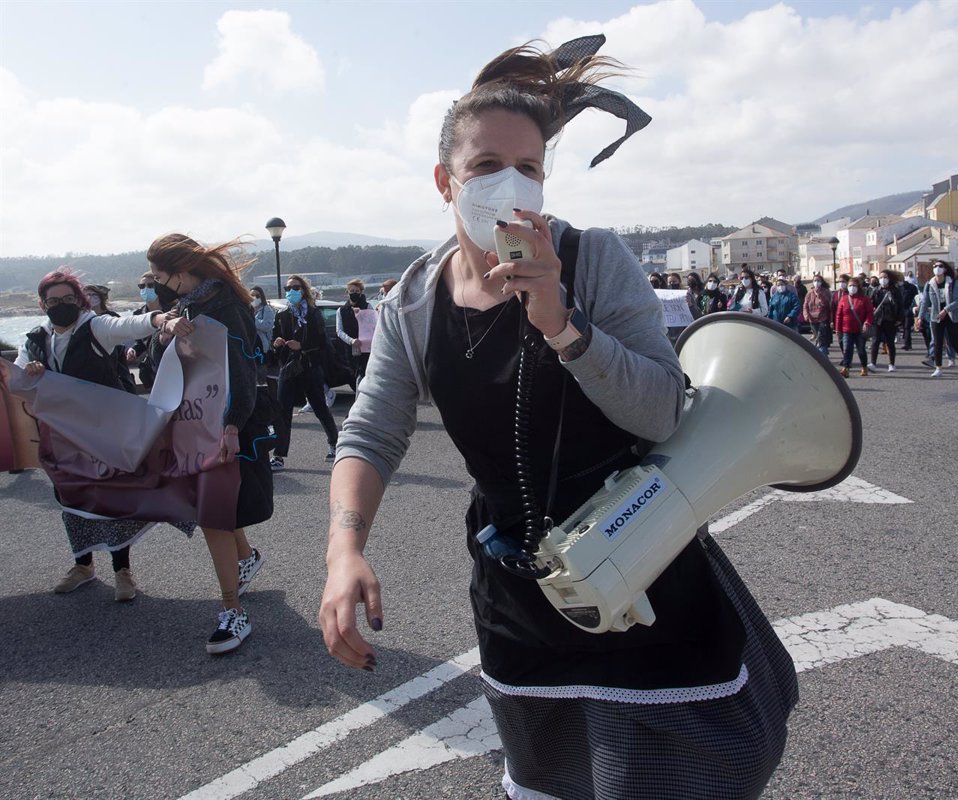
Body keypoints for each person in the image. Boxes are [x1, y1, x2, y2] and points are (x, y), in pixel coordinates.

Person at [318, 37, 797, 800]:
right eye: (485, 168)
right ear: (445, 181)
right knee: (548, 778)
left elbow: (665, 409)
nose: (510, 184)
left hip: (646, 565)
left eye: (530, 169)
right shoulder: (412, 301)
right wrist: (345, 551)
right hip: (517, 593)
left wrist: (562, 325)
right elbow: (373, 429)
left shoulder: (595, 259)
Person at [145, 234, 270, 653]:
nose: (155, 284)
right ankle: (246, 559)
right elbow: (161, 362)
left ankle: (233, 610)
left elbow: (244, 369)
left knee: (212, 515)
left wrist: (233, 426)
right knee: (214, 509)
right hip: (193, 424)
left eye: (159, 276)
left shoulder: (227, 308)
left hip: (221, 427)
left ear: (181, 273)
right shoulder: (188, 306)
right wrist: (163, 331)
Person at [10, 268, 166, 601]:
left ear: (80, 301)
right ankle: (83, 565)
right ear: (43, 304)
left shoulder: (94, 327)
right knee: (70, 497)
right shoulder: (36, 339)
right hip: (61, 435)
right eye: (53, 301)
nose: (60, 305)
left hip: (102, 431)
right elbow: (17, 379)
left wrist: (156, 320)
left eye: (68, 299)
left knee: (110, 497)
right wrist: (30, 372)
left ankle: (122, 569)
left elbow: (125, 326)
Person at [269, 274, 340, 470]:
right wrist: (277, 345)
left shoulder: (313, 314)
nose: (291, 291)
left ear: (303, 290)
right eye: (288, 288)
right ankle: (279, 455)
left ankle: (334, 443)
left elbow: (322, 341)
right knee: (283, 412)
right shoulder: (282, 315)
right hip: (288, 368)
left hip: (309, 367)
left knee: (319, 407)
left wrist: (302, 346)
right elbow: (274, 339)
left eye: (295, 287)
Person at [916, 261, 958, 377]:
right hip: (936, 316)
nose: (937, 268)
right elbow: (925, 302)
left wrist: (946, 310)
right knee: (937, 342)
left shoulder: (952, 282)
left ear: (945, 269)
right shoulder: (929, 284)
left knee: (954, 341)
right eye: (935, 266)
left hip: (951, 316)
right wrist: (920, 317)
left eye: (940, 266)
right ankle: (938, 368)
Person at [336, 278, 371, 389]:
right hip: (350, 348)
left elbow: (373, 326)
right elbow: (339, 331)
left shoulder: (368, 306)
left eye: (357, 291)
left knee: (365, 373)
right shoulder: (341, 310)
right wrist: (351, 341)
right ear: (347, 292)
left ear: (361, 292)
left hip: (366, 347)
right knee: (353, 373)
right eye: (351, 291)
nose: (354, 293)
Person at [835, 276, 873, 377]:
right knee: (847, 349)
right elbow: (839, 315)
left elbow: (870, 313)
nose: (852, 287)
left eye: (854, 285)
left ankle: (864, 367)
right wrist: (838, 329)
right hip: (846, 330)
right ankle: (846, 368)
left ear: (858, 287)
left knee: (861, 350)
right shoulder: (843, 299)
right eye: (850, 285)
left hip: (860, 330)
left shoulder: (864, 299)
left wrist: (867, 323)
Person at [868, 270, 902, 372]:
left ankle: (891, 364)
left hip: (890, 319)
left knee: (890, 342)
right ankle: (873, 363)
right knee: (875, 341)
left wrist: (900, 319)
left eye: (885, 277)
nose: (883, 280)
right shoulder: (876, 290)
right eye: (881, 277)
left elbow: (900, 305)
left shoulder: (895, 291)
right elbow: (871, 304)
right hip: (878, 319)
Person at [803, 274, 833, 355]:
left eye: (818, 281)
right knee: (817, 335)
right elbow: (805, 305)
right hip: (812, 318)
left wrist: (820, 296)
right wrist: (806, 315)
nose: (816, 282)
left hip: (823, 318)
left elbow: (828, 304)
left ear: (821, 282)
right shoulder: (809, 293)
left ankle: (823, 353)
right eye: (815, 281)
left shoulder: (826, 292)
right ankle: (821, 348)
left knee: (821, 335)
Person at [249, 285, 276, 357]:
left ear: (261, 297)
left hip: (262, 347)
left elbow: (267, 326)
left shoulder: (267, 310)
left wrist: (252, 320)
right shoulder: (248, 310)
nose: (254, 298)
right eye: (252, 295)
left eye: (257, 296)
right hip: (250, 346)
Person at [899, 272, 919, 350]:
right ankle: (906, 343)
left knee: (907, 327)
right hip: (901, 310)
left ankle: (907, 344)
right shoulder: (898, 288)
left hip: (909, 309)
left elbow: (916, 298)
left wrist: (914, 307)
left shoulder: (912, 287)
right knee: (904, 327)